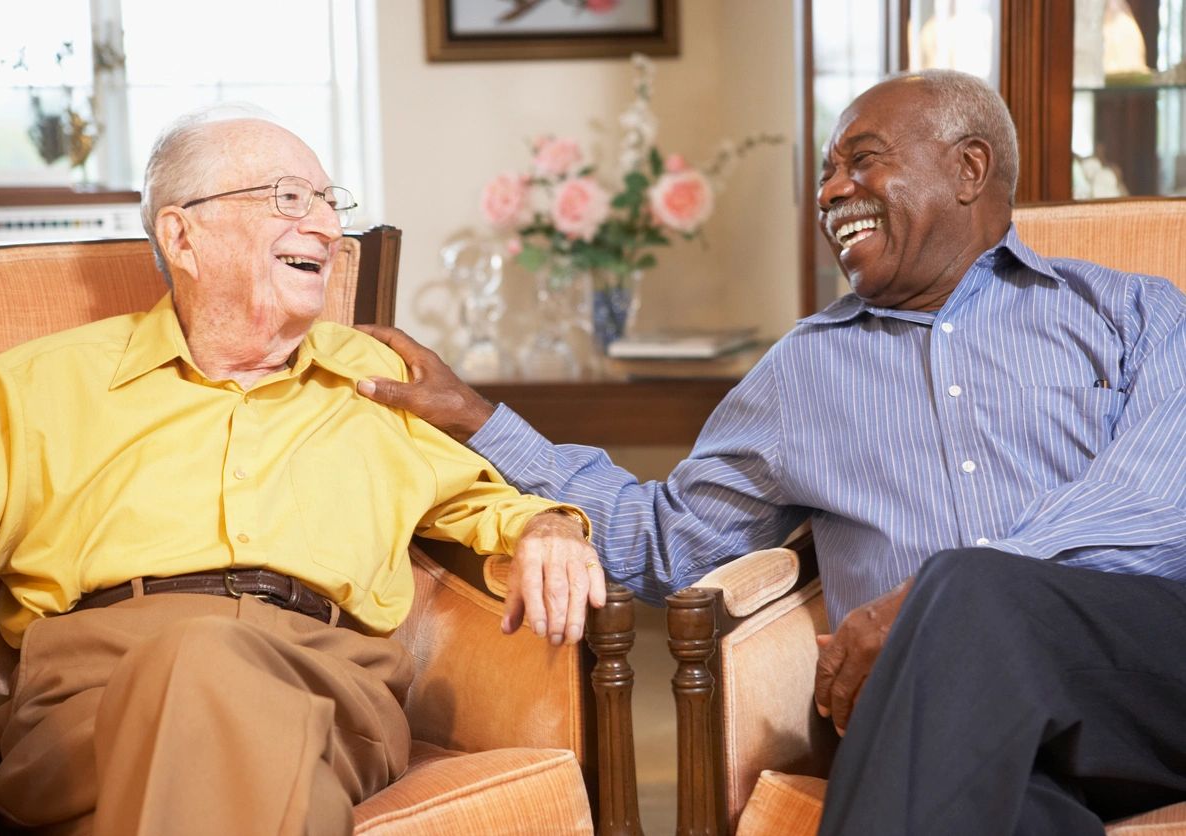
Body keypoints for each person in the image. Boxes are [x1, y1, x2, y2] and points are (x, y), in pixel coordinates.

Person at [355, 69, 1186, 832]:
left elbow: (1159, 501)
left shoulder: (1134, 313)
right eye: (827, 173)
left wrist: (920, 610)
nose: (830, 192)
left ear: (970, 170)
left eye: (862, 161)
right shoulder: (805, 371)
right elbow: (668, 541)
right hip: (936, 724)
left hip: (1141, 684)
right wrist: (477, 418)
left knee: (967, 590)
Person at [0, 112, 604, 836]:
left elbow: (486, 502)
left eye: (329, 203)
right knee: (266, 768)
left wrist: (550, 524)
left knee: (207, 670)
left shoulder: (374, 381)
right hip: (93, 691)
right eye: (289, 198)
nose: (328, 230)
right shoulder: (31, 387)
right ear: (181, 235)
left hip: (326, 684)